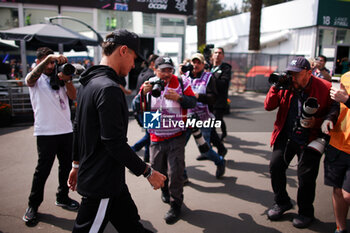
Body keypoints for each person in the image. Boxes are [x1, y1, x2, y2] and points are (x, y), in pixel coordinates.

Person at [67, 29, 166, 233]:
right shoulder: (109, 88)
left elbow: (78, 127)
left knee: (131, 226)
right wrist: (148, 172)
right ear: (123, 50)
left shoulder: (88, 84)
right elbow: (113, 142)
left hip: (110, 180)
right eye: (133, 58)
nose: (133, 65)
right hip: (101, 183)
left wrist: (76, 164)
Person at [264, 57, 339, 228]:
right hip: (286, 135)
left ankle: (305, 212)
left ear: (308, 72)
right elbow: (268, 106)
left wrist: (318, 122)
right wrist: (275, 87)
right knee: (276, 167)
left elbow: (334, 111)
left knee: (306, 177)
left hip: (312, 137)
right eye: (290, 72)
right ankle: (282, 202)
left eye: (296, 74)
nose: (292, 76)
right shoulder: (285, 85)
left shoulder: (324, 87)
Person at [23, 47, 79, 224]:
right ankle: (33, 205)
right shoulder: (35, 79)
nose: (52, 65)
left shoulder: (60, 77)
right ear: (39, 61)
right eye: (48, 62)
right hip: (46, 132)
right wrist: (49, 57)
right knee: (42, 171)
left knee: (65, 168)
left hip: (66, 130)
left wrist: (67, 80)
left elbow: (73, 96)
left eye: (53, 62)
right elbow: (30, 79)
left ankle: (62, 196)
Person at [140, 56, 197, 224]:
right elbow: (139, 107)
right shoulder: (149, 83)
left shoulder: (181, 81)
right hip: (156, 136)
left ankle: (176, 205)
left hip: (177, 135)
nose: (166, 73)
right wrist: (143, 95)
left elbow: (193, 102)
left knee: (176, 173)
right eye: (163, 70)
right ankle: (164, 190)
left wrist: (179, 98)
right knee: (157, 169)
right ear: (155, 70)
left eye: (169, 70)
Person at [184, 53, 226, 178]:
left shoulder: (209, 77)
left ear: (203, 64)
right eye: (193, 62)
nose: (195, 65)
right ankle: (182, 175)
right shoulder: (184, 77)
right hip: (187, 117)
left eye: (198, 62)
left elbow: (213, 98)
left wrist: (198, 96)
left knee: (205, 150)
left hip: (204, 119)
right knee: (179, 148)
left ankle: (220, 161)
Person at [324, 71, 350, 233]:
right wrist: (329, 119)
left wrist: (347, 100)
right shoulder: (346, 76)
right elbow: (337, 105)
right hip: (337, 143)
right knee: (338, 189)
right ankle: (340, 227)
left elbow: (345, 101)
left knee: (348, 195)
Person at [131, 54, 159, 162]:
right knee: (150, 135)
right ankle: (133, 149)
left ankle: (148, 156)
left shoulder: (143, 73)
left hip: (142, 109)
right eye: (158, 64)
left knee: (149, 134)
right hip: (148, 110)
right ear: (153, 64)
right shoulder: (151, 77)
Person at [210, 47, 231, 155]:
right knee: (211, 124)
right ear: (212, 55)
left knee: (214, 122)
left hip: (219, 101)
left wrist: (210, 77)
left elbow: (223, 84)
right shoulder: (208, 67)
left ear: (223, 55)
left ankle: (219, 145)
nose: (217, 55)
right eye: (215, 53)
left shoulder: (226, 68)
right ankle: (210, 148)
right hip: (208, 101)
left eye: (220, 53)